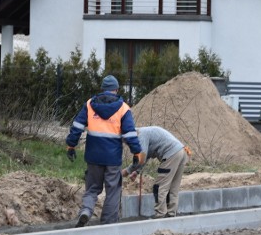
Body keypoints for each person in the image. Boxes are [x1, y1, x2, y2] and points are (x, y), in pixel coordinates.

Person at [66, 75, 144, 226]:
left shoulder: (89, 104)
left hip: (93, 156)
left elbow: (77, 126)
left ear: (102, 89)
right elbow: (129, 133)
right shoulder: (123, 108)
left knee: (92, 188)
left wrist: (71, 145)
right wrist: (136, 152)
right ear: (116, 89)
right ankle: (108, 223)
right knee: (113, 190)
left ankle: (86, 211)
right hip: (112, 159)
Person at [123, 126, 190, 219]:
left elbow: (141, 159)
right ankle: (171, 215)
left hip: (171, 154)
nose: (127, 144)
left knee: (159, 188)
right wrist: (137, 172)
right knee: (173, 188)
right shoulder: (146, 133)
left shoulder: (141, 136)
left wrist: (127, 171)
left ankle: (160, 215)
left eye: (126, 141)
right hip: (182, 152)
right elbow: (146, 156)